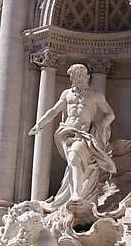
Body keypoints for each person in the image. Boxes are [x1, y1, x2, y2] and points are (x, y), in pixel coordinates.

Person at [29, 64, 116, 209]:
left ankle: (76, 193)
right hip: (67, 132)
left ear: (87, 77)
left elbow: (110, 114)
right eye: (74, 77)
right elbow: (53, 110)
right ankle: (73, 193)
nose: (77, 79)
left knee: (74, 159)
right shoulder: (66, 94)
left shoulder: (95, 95)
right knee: (72, 162)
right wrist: (40, 124)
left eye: (80, 76)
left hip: (84, 134)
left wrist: (100, 126)